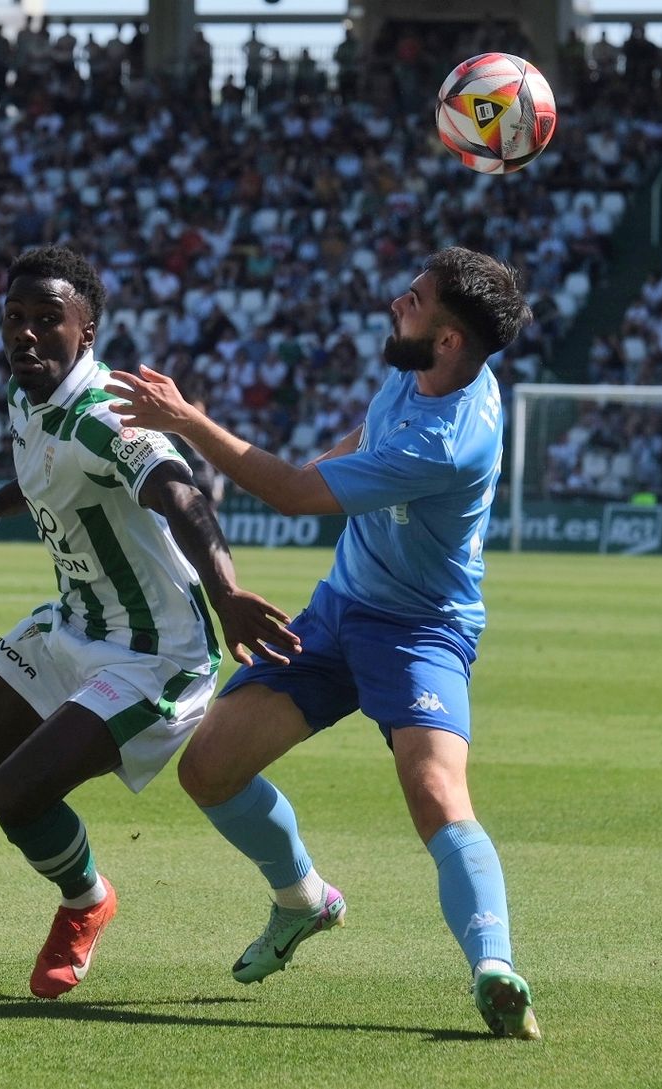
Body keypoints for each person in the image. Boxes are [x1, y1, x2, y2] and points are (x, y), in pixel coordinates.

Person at [0, 246, 296, 998]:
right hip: (74, 623)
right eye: (15, 318)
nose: (26, 334)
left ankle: (87, 901)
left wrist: (227, 590)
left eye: (49, 320)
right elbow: (43, 466)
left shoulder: (107, 415)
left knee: (19, 792)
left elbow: (183, 495)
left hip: (154, 654)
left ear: (87, 331)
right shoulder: (29, 396)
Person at [106, 247, 543, 1039]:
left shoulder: (450, 440)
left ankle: (495, 965)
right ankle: (304, 897)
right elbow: (367, 432)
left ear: (448, 341)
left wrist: (189, 421)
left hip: (421, 630)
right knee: (208, 770)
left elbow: (299, 497)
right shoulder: (422, 365)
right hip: (340, 609)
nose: (392, 304)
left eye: (411, 300)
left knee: (437, 792)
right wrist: (335, 459)